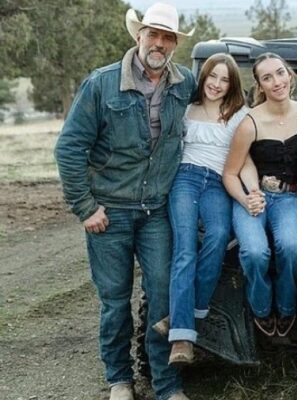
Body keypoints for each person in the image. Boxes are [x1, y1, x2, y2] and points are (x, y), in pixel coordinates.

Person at [54, 3, 196, 400]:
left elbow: (217, 110)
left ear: (174, 44)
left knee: (163, 296)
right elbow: (69, 148)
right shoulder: (101, 84)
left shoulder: (185, 83)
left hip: (157, 211)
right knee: (115, 301)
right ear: (139, 36)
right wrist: (85, 207)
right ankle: (119, 379)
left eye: (167, 37)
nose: (159, 43)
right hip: (110, 211)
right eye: (153, 34)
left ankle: (166, 384)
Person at [166, 53, 248, 365]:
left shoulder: (240, 114)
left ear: (232, 84)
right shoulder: (187, 108)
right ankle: (181, 339)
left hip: (218, 181)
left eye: (224, 79)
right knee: (185, 249)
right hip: (185, 178)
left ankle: (191, 313)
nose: (216, 84)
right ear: (204, 77)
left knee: (219, 235)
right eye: (212, 76)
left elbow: (246, 158)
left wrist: (252, 191)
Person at [223, 53, 297, 338]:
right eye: (267, 78)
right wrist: (246, 199)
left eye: (280, 73)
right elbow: (230, 173)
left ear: (289, 75)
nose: (277, 82)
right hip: (252, 195)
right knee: (255, 252)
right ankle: (260, 307)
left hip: (288, 197)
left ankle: (286, 306)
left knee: (292, 248)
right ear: (260, 85)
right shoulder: (250, 123)